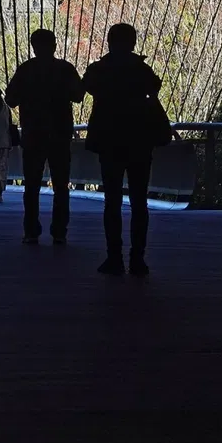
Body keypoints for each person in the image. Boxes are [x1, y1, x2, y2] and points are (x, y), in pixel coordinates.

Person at [83, 23, 166, 276]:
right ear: (132, 42)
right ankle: (138, 259)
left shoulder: (99, 70)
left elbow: (87, 87)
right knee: (139, 202)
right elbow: (154, 88)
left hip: (109, 141)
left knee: (112, 201)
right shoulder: (142, 70)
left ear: (109, 41)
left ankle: (114, 257)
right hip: (140, 140)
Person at [5, 28, 84, 245]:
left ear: (33, 46)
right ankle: (59, 231)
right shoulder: (65, 69)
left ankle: (31, 230)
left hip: (33, 133)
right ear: (55, 45)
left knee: (31, 185)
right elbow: (78, 96)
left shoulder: (26, 70)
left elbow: (10, 99)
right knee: (60, 185)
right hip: (60, 133)